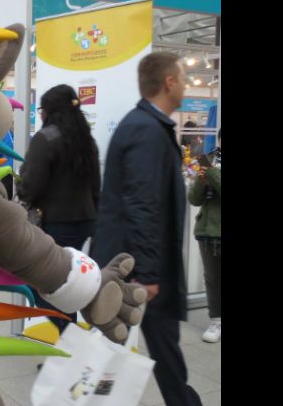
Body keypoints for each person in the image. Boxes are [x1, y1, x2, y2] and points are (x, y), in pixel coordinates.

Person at [91, 52, 203, 406]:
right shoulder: (146, 130)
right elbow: (143, 205)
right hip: (137, 269)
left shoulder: (147, 125)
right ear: (169, 82)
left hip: (136, 264)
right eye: (183, 78)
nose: (185, 85)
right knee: (132, 351)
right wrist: (150, 274)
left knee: (152, 350)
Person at [16, 84, 100, 335]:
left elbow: (31, 187)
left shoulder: (45, 139)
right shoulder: (86, 141)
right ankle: (71, 339)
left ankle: (71, 338)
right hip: (84, 222)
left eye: (41, 109)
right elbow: (96, 187)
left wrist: (20, 183)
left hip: (54, 224)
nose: (40, 114)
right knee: (66, 284)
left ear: (50, 111)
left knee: (42, 286)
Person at [188, 128, 221, 343]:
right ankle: (216, 320)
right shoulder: (208, 160)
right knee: (212, 279)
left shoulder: (209, 166)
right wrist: (202, 177)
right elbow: (194, 199)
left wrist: (210, 173)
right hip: (208, 230)